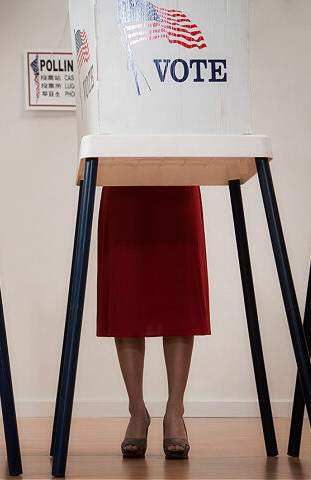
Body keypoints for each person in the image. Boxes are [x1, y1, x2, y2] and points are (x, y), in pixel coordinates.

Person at [96, 186, 210, 459]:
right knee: (126, 292)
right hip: (122, 173)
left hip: (178, 172)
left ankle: (175, 410)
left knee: (178, 291)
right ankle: (136, 409)